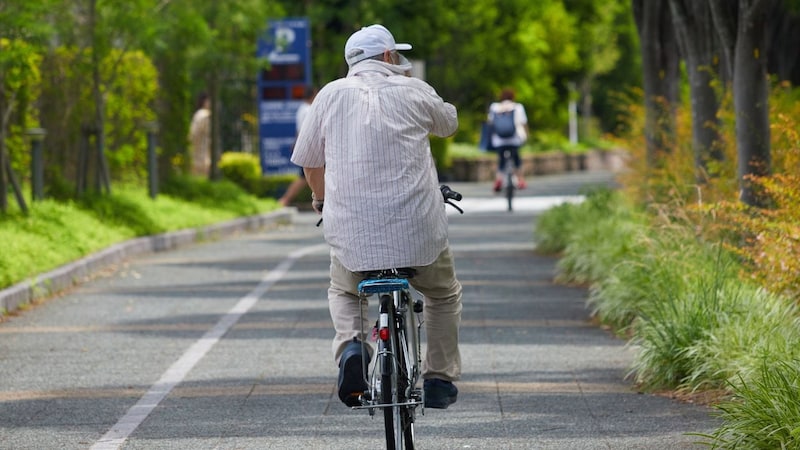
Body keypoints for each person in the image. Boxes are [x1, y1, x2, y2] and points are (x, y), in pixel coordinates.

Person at [291, 24, 463, 410]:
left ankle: (354, 348)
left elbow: (310, 162)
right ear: (388, 57)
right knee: (442, 294)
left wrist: (321, 201)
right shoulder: (414, 89)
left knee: (344, 291)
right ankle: (438, 378)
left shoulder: (329, 96)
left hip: (354, 239)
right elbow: (448, 123)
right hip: (419, 235)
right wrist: (425, 91)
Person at [279, 87, 318, 207]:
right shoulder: (309, 109)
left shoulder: (301, 109)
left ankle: (285, 200)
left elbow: (299, 130)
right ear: (313, 95)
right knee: (304, 177)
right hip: (311, 146)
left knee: (305, 176)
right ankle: (285, 200)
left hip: (304, 145)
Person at [488, 88, 529, 192]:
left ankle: (498, 180)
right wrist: (527, 135)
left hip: (499, 140)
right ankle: (520, 180)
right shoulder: (518, 107)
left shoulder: (494, 107)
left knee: (501, 160)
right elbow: (523, 123)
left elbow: (490, 123)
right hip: (514, 139)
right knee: (517, 160)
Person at [188, 93, 211, 177]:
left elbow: (192, 134)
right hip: (203, 153)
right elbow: (196, 133)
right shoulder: (205, 115)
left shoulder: (197, 114)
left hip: (196, 152)